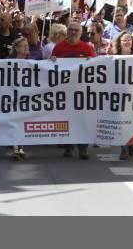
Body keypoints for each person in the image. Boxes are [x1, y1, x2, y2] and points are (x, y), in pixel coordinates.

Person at [50, 21, 95, 160]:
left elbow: (94, 66)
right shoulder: (59, 47)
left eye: (76, 30)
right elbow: (51, 66)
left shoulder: (86, 48)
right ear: (67, 31)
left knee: (82, 119)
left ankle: (83, 148)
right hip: (65, 90)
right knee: (66, 118)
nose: (73, 32)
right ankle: (68, 147)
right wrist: (52, 60)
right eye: (71, 29)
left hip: (82, 90)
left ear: (81, 32)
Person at [113, 30, 133, 160]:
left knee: (132, 121)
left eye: (129, 39)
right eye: (124, 40)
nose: (127, 41)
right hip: (119, 94)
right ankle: (123, 149)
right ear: (119, 43)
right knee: (121, 122)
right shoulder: (114, 57)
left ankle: (130, 143)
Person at [9, 36, 33, 160]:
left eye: (27, 45)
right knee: (14, 122)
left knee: (23, 122)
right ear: (17, 48)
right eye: (23, 45)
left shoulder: (32, 62)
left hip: (26, 97)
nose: (26, 47)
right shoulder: (8, 62)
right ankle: (15, 149)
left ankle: (21, 147)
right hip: (13, 97)